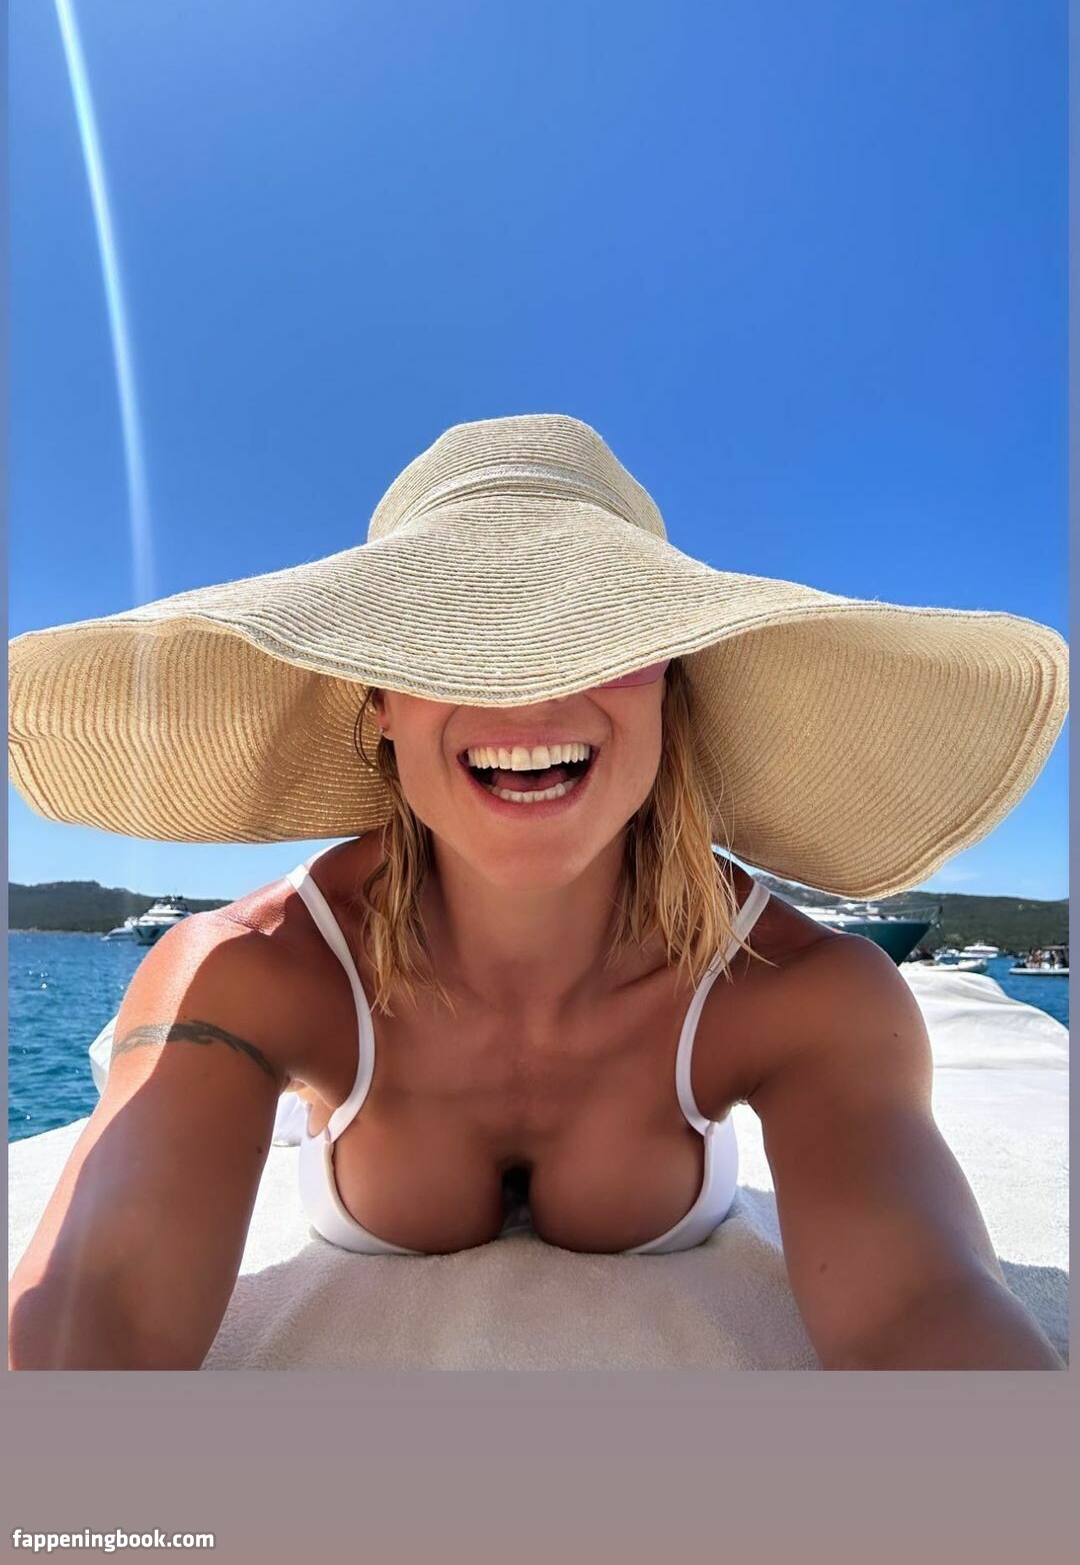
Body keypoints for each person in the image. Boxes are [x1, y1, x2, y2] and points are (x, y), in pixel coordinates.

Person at [7, 414, 1068, 1370]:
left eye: (601, 635)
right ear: (378, 701)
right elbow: (97, 1312)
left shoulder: (800, 993)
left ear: (670, 685)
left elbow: (922, 1307)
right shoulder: (247, 975)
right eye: (448, 639)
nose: (528, 689)